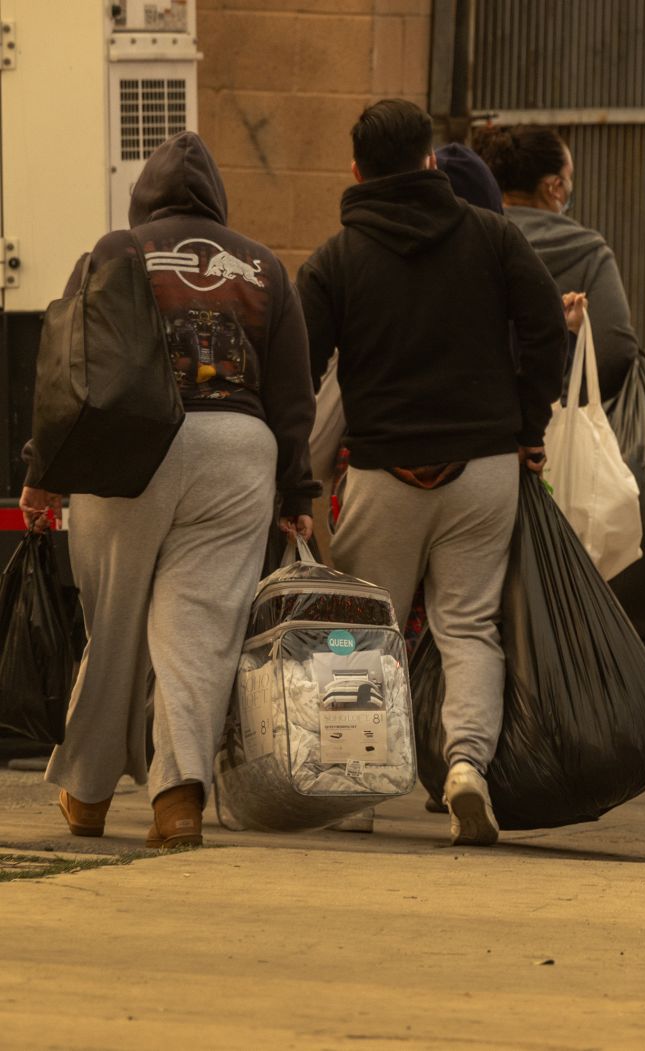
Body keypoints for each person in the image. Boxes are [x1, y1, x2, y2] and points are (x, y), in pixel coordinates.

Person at [19, 131, 319, 849]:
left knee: (114, 622)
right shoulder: (265, 266)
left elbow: (66, 372)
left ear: (143, 194)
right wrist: (297, 493)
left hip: (129, 449)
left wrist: (41, 473)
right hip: (238, 450)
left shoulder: (114, 249)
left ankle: (88, 795)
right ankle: (178, 799)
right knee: (200, 631)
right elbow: (292, 393)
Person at [296, 99, 566, 846]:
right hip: (483, 467)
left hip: (383, 473)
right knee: (469, 626)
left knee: (363, 632)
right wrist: (527, 429)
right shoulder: (491, 238)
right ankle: (467, 766)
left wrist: (295, 475)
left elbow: (298, 372)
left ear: (355, 170)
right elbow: (546, 330)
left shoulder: (336, 260)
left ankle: (354, 789)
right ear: (426, 162)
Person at [473, 123, 634, 397]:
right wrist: (564, 399)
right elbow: (615, 352)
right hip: (559, 425)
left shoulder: (472, 237)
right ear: (554, 188)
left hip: (478, 418)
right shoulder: (588, 252)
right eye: (568, 180)